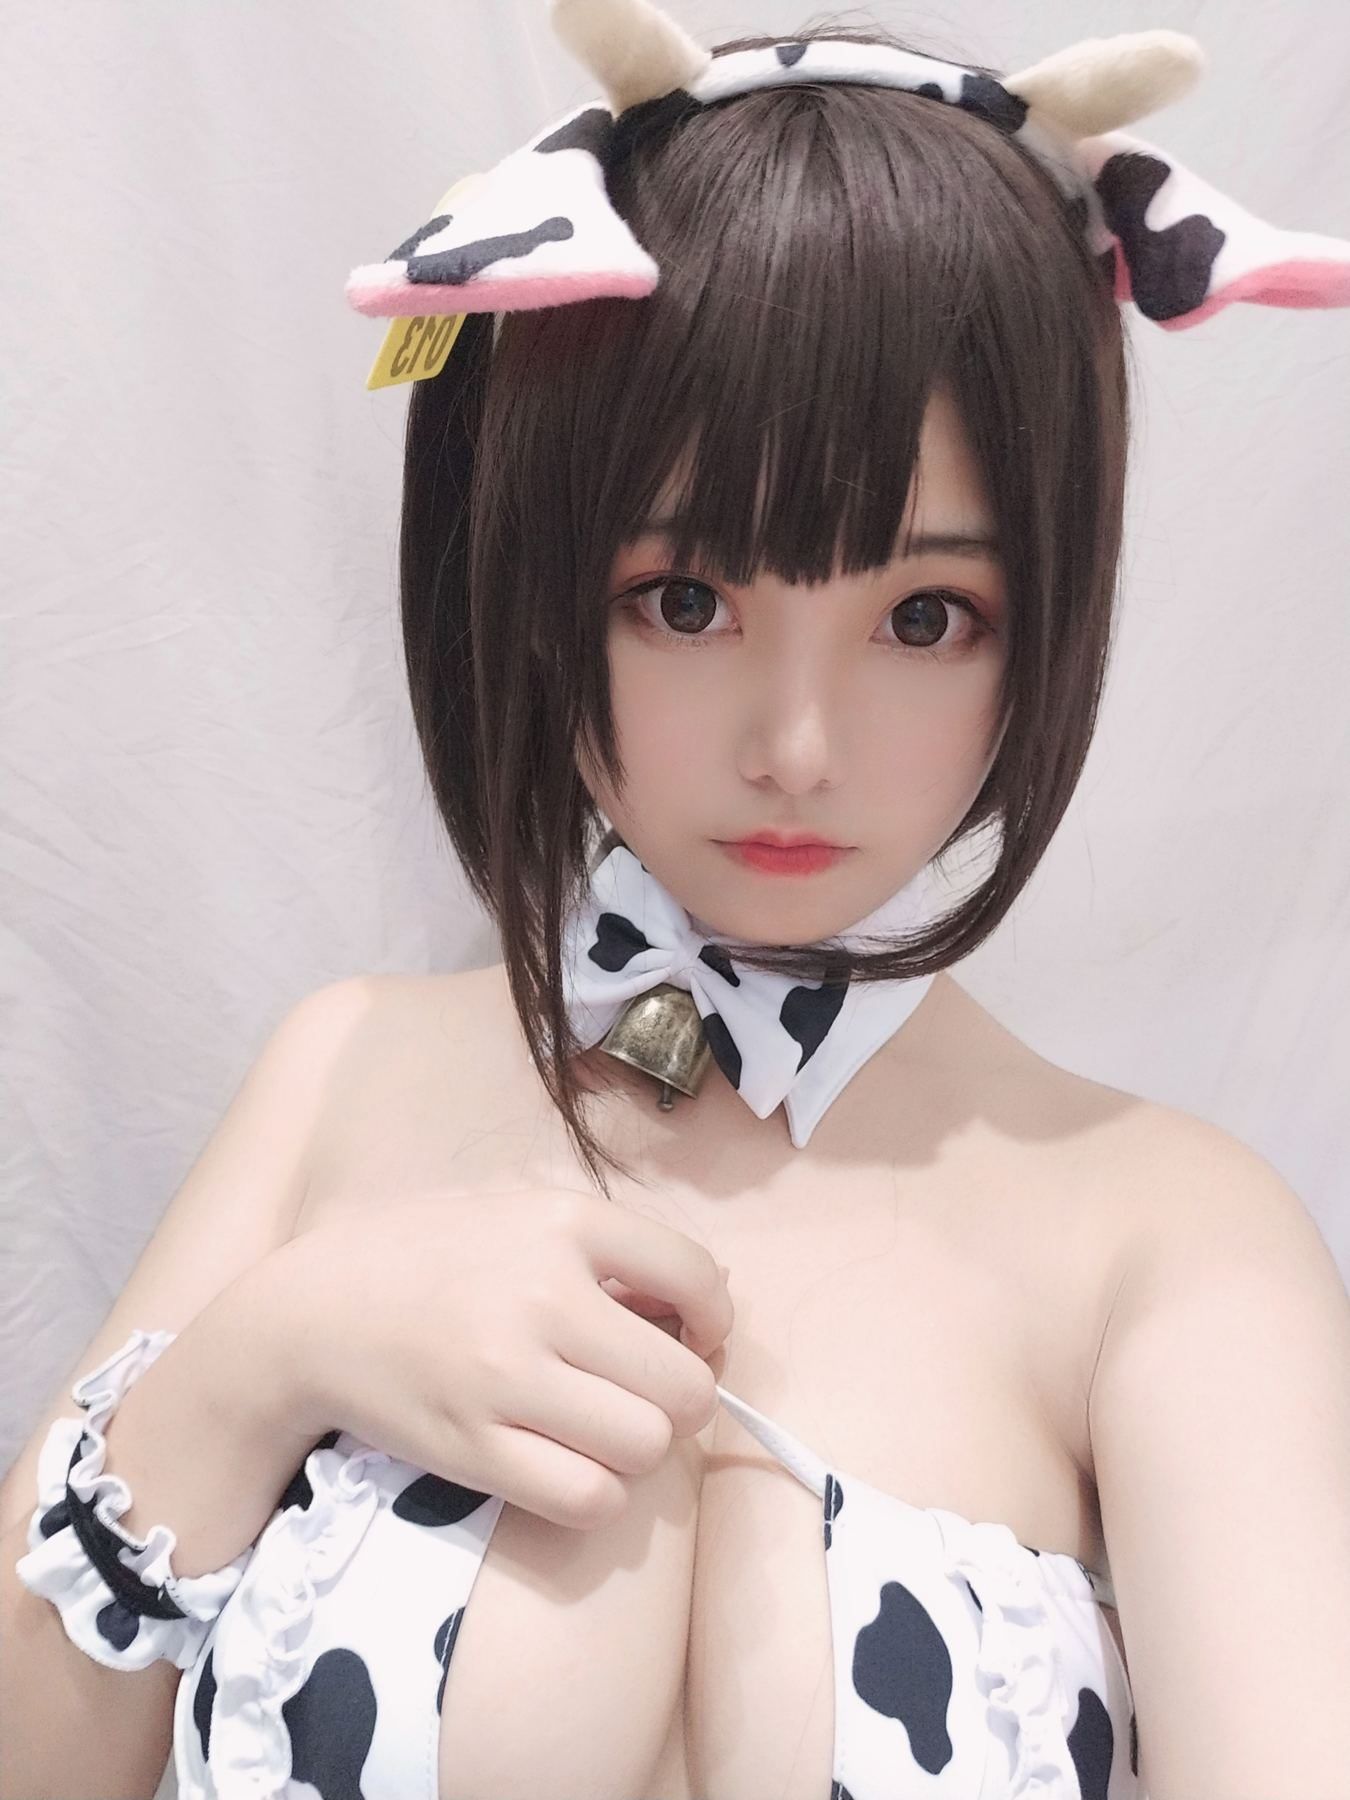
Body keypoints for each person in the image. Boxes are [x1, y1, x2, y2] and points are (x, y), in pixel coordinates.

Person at [4, 12, 1350, 1800]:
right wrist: (267, 1357)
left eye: (924, 617)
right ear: (534, 567)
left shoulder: (1166, 1240)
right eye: (686, 601)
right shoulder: (344, 1080)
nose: (797, 748)